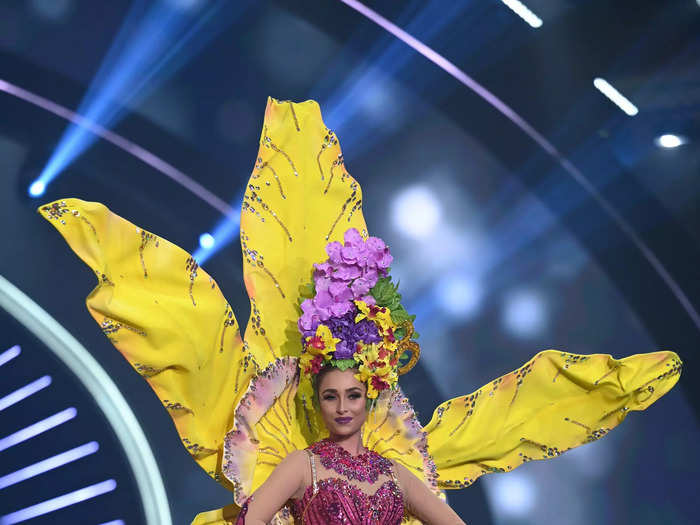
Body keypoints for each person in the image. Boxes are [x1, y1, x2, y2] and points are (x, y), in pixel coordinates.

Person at [38, 97, 682, 524]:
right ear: (314, 402)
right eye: (332, 397)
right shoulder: (298, 463)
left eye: (353, 396)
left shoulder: (399, 473)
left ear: (371, 399)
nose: (343, 407)